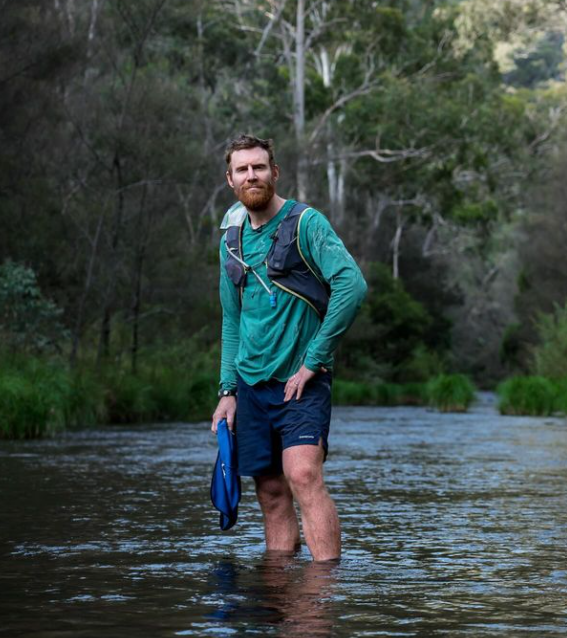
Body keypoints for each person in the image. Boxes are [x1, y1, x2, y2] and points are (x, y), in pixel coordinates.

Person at [211, 134, 367, 561]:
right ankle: (280, 598)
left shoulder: (306, 223)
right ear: (230, 180)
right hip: (250, 386)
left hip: (302, 380)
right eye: (242, 169)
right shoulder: (230, 240)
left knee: (302, 475)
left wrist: (315, 359)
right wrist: (227, 391)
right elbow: (231, 318)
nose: (251, 175)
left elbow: (351, 286)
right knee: (271, 490)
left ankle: (321, 596)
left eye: (259, 167)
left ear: (274, 173)